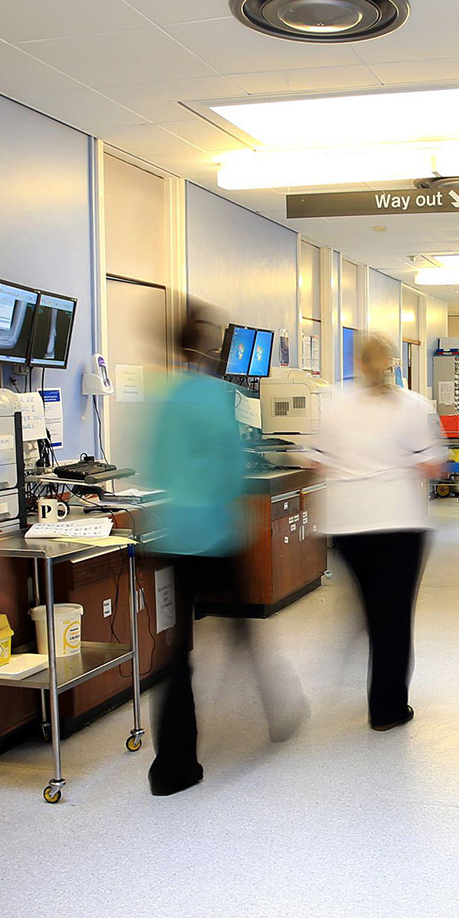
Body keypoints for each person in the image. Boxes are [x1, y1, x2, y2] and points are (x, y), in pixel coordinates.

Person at [143, 307, 308, 796]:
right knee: (244, 629)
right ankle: (279, 711)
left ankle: (173, 765)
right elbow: (233, 463)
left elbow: (152, 464)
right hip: (215, 533)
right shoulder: (217, 398)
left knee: (175, 652)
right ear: (212, 350)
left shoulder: (166, 399)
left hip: (175, 534)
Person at [312, 333, 446, 730]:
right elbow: (434, 466)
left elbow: (317, 461)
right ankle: (387, 710)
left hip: (348, 528)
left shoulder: (334, 401)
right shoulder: (414, 406)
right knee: (393, 618)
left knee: (376, 609)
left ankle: (368, 627)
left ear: (357, 362)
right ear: (393, 362)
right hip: (398, 524)